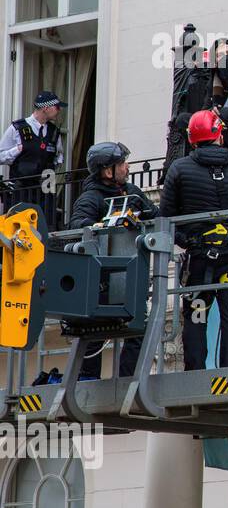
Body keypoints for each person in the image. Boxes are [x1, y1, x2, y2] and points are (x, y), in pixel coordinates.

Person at [159, 110, 228, 371]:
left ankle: (195, 374)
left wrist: (188, 240)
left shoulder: (179, 170)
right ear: (218, 135)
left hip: (200, 262)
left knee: (197, 315)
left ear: (192, 138)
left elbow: (166, 218)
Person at [68, 141, 157, 381]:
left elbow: (157, 217)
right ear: (108, 171)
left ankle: (129, 379)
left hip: (129, 278)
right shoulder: (91, 198)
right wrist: (101, 227)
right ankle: (87, 380)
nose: (127, 168)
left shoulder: (133, 193)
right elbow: (76, 226)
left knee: (139, 327)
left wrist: (143, 215)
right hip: (100, 281)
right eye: (122, 164)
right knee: (92, 330)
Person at [0, 91, 66, 222]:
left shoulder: (54, 132)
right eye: (57, 107)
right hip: (22, 188)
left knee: (46, 225)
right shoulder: (18, 128)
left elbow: (58, 158)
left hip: (46, 189)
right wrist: (17, 150)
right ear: (46, 108)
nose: (59, 110)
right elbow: (1, 156)